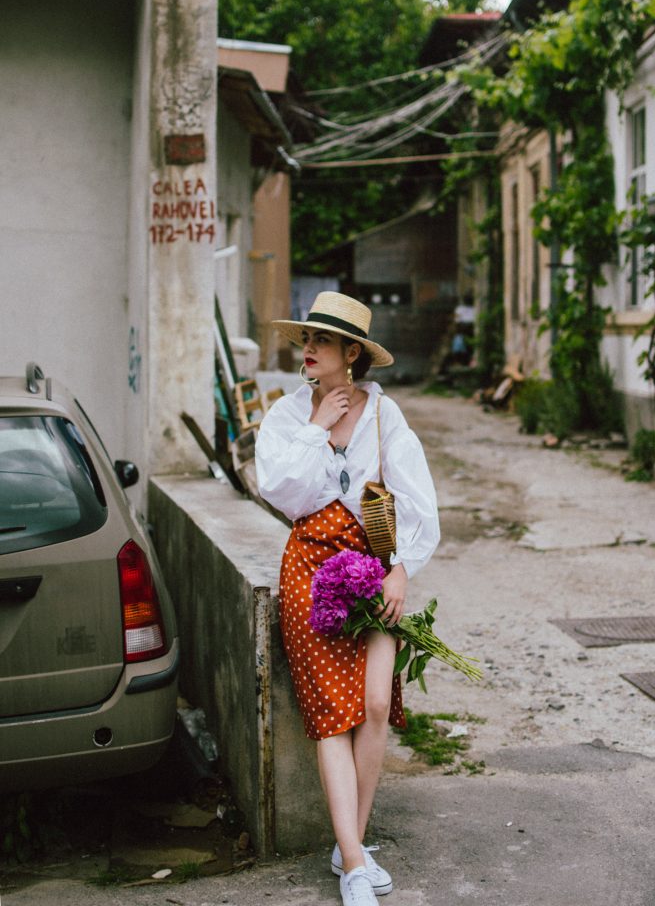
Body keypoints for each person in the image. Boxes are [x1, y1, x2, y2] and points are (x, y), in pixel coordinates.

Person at [255, 291, 440, 906]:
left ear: (352, 353)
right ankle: (355, 863)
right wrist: (314, 428)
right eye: (306, 340)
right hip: (309, 567)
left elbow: (420, 506)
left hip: (372, 569)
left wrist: (402, 572)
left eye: (322, 342)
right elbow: (280, 491)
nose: (306, 351)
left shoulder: (386, 419)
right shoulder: (287, 416)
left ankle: (348, 844)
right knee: (331, 716)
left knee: (377, 705)